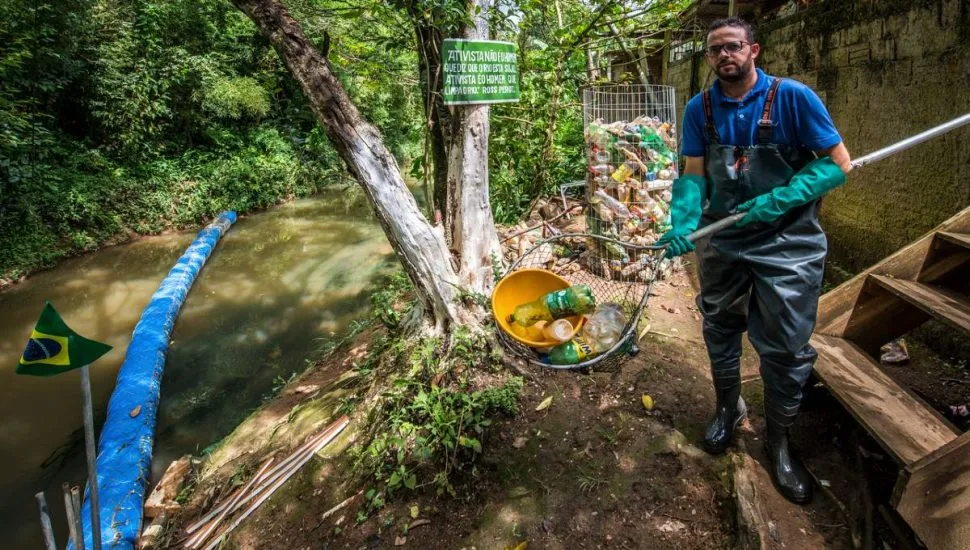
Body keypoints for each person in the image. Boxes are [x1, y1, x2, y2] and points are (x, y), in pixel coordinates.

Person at [658, 16, 852, 504]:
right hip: (724, 237)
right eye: (716, 49)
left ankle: (781, 441)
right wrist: (683, 219)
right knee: (720, 324)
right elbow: (694, 172)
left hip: (788, 240)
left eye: (734, 47)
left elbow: (838, 162)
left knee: (785, 343)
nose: (726, 55)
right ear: (708, 58)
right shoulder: (699, 109)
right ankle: (727, 409)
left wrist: (781, 198)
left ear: (754, 50)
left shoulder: (792, 98)